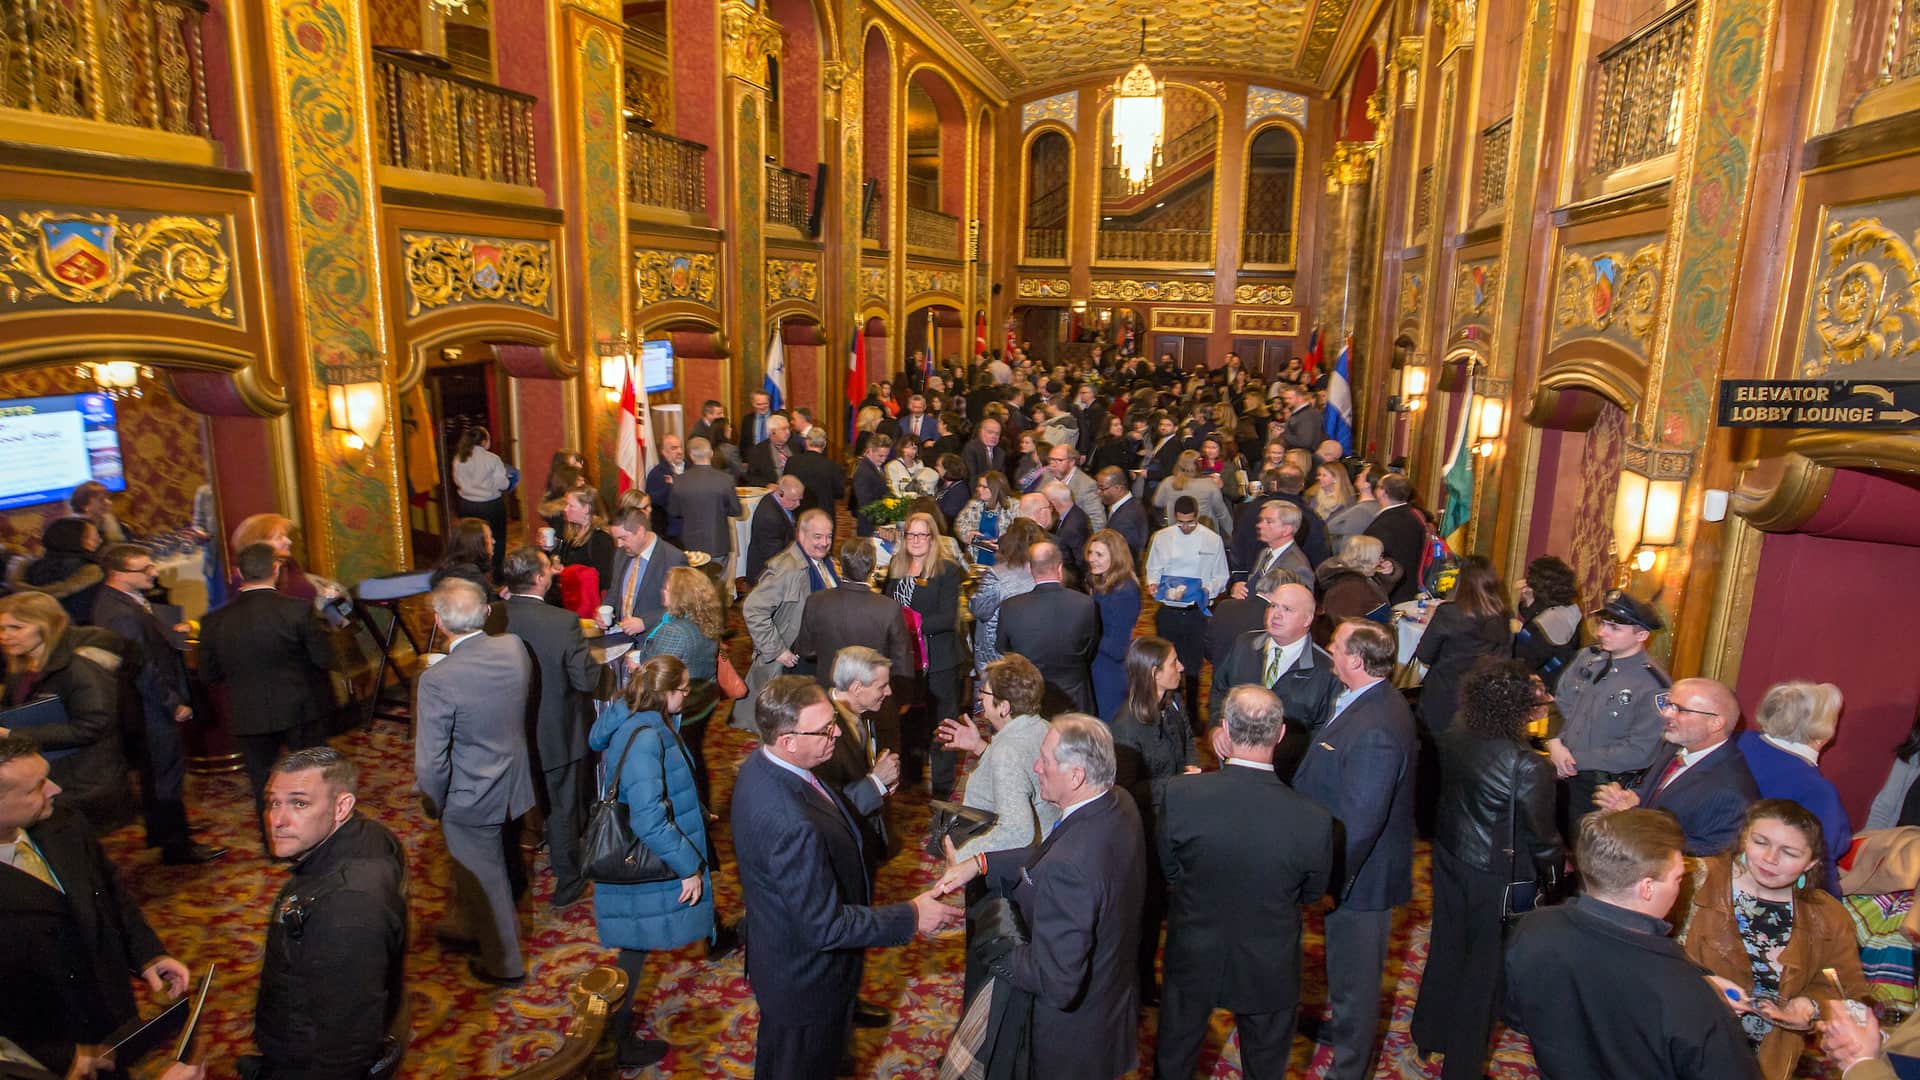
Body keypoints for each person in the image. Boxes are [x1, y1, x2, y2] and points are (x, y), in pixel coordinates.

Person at [732, 676, 957, 1079]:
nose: (836, 732)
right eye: (823, 730)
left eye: (832, 721)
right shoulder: (788, 822)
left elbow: (825, 813)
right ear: (787, 740)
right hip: (806, 982)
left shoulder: (764, 765)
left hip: (784, 959)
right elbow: (826, 926)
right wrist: (911, 916)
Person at [933, 714, 1147, 1079]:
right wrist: (981, 863)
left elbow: (1056, 982)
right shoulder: (1117, 802)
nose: (1036, 767)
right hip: (1110, 1006)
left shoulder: (1072, 867)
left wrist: (994, 933)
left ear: (1076, 776)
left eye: (1045, 760)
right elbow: (1052, 852)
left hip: (1068, 1041)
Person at [1505, 809, 1764, 1079]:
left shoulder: (1534, 929)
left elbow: (1519, 1017)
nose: (1680, 886)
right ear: (1647, 888)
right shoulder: (1687, 994)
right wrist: (1698, 990)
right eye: (1677, 878)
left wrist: (1700, 982)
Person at [1156, 686, 1334, 1080]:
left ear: (1225, 730)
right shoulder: (1314, 820)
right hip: (1268, 965)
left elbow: (1170, 870)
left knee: (1173, 1060)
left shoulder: (1181, 794)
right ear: (1281, 734)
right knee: (1265, 1067)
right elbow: (1312, 893)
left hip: (1192, 954)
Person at [0, 734, 195, 1079]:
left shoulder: (65, 823)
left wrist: (147, 955)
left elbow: (111, 895)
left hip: (112, 1017)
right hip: (49, 1048)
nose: (55, 789)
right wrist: (57, 1056)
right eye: (36, 787)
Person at [1408, 659, 1562, 1080]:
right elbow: (1543, 840)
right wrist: (1555, 884)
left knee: (1446, 947)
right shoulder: (1530, 766)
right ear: (1520, 709)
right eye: (1539, 699)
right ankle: (1461, 1068)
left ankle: (1428, 1032)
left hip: (1449, 855)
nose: (1546, 703)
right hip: (1499, 875)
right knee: (1485, 973)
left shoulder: (1460, 727)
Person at [1292, 619, 1417, 1080]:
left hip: (1360, 881)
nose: (1328, 648)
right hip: (1351, 871)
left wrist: (1330, 883)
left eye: (1336, 645)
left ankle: (1349, 1069)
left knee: (1356, 988)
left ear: (1357, 661)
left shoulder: (1377, 727)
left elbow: (1362, 823)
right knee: (1344, 979)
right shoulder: (1369, 701)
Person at [245, 747, 408, 1080]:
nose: (278, 820)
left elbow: (345, 1045)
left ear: (342, 806)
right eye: (274, 802)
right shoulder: (365, 835)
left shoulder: (347, 907)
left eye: (300, 803)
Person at [1674, 799, 1866, 1079]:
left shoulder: (1827, 914)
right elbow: (1646, 959)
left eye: (1789, 852)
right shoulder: (1691, 882)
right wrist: (1704, 985)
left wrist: (1811, 1006)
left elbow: (1848, 991)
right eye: (1760, 842)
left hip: (1767, 1064)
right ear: (1743, 838)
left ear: (1811, 862)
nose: (1770, 859)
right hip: (1686, 1051)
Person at [588, 655, 715, 1069]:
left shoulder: (633, 714)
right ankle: (616, 1040)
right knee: (634, 950)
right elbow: (647, 818)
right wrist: (688, 866)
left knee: (634, 948)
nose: (686, 696)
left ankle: (613, 1034)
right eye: (682, 690)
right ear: (664, 693)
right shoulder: (646, 736)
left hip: (641, 859)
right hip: (646, 864)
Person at [414, 578, 535, 986]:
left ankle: (505, 964)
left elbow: (430, 762)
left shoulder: (437, 680)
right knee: (504, 862)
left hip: (471, 795)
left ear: (439, 623)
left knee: (484, 877)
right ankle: (479, 928)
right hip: (515, 784)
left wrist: (434, 802)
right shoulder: (514, 647)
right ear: (485, 612)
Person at [198, 543, 337, 852]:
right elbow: (322, 659)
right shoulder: (297, 610)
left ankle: (276, 845)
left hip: (248, 712)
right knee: (311, 775)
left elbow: (208, 675)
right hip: (300, 708)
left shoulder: (213, 622)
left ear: (238, 574)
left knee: (264, 782)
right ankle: (320, 839)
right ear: (275, 570)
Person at [90, 545, 224, 865]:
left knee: (161, 774)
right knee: (166, 775)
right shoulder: (120, 613)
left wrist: (168, 632)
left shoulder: (122, 600)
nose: (153, 572)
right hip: (151, 708)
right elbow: (144, 667)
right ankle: (177, 846)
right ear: (119, 575)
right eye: (145, 569)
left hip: (149, 704)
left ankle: (169, 831)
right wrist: (173, 703)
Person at [499, 546, 598, 906]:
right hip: (556, 735)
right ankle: (568, 880)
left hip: (505, 735)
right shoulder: (562, 622)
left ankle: (513, 878)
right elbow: (586, 681)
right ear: (540, 579)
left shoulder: (492, 618)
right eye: (548, 570)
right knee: (562, 809)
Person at [0, 590, 128, 836]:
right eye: (2, 628)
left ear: (46, 627)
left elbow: (93, 726)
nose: (5, 636)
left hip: (80, 781)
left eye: (16, 628)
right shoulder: (23, 669)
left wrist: (13, 733)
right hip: (49, 775)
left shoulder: (80, 670)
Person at [1110, 635, 1194, 1004]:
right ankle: (1141, 987)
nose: (1181, 667)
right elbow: (1127, 789)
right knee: (1147, 912)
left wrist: (1191, 764)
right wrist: (1178, 785)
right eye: (1174, 662)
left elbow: (1189, 738)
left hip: (1176, 823)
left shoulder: (1173, 702)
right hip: (1145, 833)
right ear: (1153, 672)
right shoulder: (1126, 727)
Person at [1548, 588, 1671, 838]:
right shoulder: (1588, 658)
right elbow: (1558, 703)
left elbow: (1640, 751)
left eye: (1615, 628)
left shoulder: (1652, 684)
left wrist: (1574, 759)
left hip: (1599, 786)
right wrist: (1553, 742)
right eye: (1603, 623)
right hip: (1558, 771)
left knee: (1586, 858)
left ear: (1642, 635)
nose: (1602, 632)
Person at [1594, 675, 1761, 856]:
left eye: (1680, 710)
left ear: (1715, 723)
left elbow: (1711, 856)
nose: (1665, 714)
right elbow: (1657, 794)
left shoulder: (1731, 792)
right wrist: (1633, 797)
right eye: (1668, 705)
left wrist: (1634, 819)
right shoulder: (1675, 746)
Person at [936, 655, 1059, 865]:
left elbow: (1018, 832)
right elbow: (1023, 769)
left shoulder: (1008, 752)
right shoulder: (1043, 727)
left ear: (1004, 707)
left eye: (984, 692)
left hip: (1006, 865)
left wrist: (964, 855)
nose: (979, 698)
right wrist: (979, 747)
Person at [1207, 581, 1337, 777]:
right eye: (1273, 605)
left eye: (1287, 609)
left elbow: (1325, 731)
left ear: (1307, 619)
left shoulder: (1326, 669)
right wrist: (1217, 728)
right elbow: (1219, 690)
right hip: (1234, 766)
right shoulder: (1244, 645)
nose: (1275, 614)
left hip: (1286, 776)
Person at [792, 541, 912, 751]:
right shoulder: (888, 607)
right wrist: (902, 698)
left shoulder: (816, 601)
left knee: (829, 754)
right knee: (881, 756)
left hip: (830, 695)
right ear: (873, 567)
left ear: (840, 566)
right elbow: (902, 660)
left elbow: (806, 650)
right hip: (876, 700)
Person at [1737, 681, 1851, 891]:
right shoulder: (1815, 789)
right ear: (1824, 732)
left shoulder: (1737, 742)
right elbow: (1822, 863)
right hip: (1768, 890)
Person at [884, 512, 965, 797]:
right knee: (908, 720)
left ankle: (942, 788)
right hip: (904, 661)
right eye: (911, 535)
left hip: (940, 660)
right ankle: (910, 777)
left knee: (943, 726)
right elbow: (886, 607)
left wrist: (907, 627)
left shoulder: (947, 570)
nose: (916, 541)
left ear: (932, 539)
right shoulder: (896, 566)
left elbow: (946, 618)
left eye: (922, 535)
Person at [740, 509, 838, 730]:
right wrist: (777, 650)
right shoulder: (787, 568)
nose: (825, 543)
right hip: (794, 663)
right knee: (789, 726)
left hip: (816, 656)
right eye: (818, 536)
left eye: (829, 536)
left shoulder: (822, 562)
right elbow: (753, 609)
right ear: (800, 535)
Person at [821, 646, 903, 887]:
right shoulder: (823, 733)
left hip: (867, 835)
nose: (888, 692)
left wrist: (883, 780)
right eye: (881, 686)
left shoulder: (863, 710)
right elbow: (829, 807)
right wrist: (876, 783)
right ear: (857, 688)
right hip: (843, 849)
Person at [1144, 496, 1230, 720]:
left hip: (1196, 613)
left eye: (1190, 522)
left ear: (1197, 517)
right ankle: (1169, 709)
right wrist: (1153, 584)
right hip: (1168, 611)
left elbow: (1221, 575)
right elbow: (1152, 569)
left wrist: (1205, 590)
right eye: (1181, 522)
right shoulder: (1162, 538)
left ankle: (1192, 712)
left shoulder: (1212, 540)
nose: (1185, 527)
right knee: (1165, 664)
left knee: (1192, 666)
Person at [995, 540, 1099, 716]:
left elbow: (1003, 649)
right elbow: (1090, 648)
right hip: (1075, 695)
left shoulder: (1010, 607)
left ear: (1029, 569)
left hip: (1030, 697)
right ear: (1059, 568)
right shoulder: (1085, 604)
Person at [1412, 553, 1513, 734]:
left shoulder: (1448, 614)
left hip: (1443, 703)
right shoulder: (1504, 616)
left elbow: (1424, 654)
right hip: (1483, 704)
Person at [968, 517, 1044, 672]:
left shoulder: (997, 574)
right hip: (1032, 651)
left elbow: (980, 610)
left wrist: (972, 595)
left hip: (998, 655)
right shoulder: (1042, 572)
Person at [1085, 530, 1141, 721]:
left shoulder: (1124, 591)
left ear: (1116, 557)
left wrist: (1085, 637)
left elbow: (1117, 647)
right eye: (1091, 553)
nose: (1092, 559)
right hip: (1098, 664)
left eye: (1099, 554)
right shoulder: (1103, 582)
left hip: (1109, 671)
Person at [607, 502, 688, 634]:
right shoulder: (622, 553)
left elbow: (682, 607)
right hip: (621, 635)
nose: (618, 544)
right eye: (616, 539)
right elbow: (615, 590)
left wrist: (645, 622)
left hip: (653, 638)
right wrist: (606, 608)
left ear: (640, 531)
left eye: (622, 538)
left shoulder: (673, 559)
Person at [1511, 554, 1583, 690]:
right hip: (1556, 675)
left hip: (1544, 685)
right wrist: (1529, 599)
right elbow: (1539, 614)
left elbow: (1523, 657)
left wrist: (1511, 635)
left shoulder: (1552, 621)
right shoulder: (1567, 606)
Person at [15, 517, 104, 624]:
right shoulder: (88, 570)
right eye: (93, 538)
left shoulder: (31, 566)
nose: (100, 541)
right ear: (76, 540)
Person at [1311, 533, 1396, 645]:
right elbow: (1347, 628)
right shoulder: (1350, 588)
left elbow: (1377, 593)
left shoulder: (1356, 575)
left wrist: (1387, 574)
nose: (1381, 560)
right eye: (1379, 556)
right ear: (1367, 560)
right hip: (1357, 645)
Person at [452, 426, 512, 578]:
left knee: (470, 540)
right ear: (484, 441)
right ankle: (497, 575)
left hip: (466, 504)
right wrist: (508, 478)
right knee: (497, 539)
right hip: (490, 505)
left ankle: (471, 572)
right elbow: (502, 484)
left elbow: (457, 480)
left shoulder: (459, 458)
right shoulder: (492, 459)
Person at [669, 437, 741, 563]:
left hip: (690, 545)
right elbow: (736, 511)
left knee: (693, 582)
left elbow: (674, 512)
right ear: (711, 453)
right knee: (718, 581)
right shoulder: (726, 479)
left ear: (691, 455)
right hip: (717, 543)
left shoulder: (679, 481)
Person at [1363, 474, 1427, 604]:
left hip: (1389, 595)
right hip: (1412, 591)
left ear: (1383, 492)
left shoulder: (1382, 526)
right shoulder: (1415, 517)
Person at [227, 512, 320, 601]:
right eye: (279, 537)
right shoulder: (243, 578)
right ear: (258, 544)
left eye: (285, 536)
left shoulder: (289, 564)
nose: (288, 541)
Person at [1233, 500, 1313, 596]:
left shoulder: (1298, 566)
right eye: (1261, 520)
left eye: (1269, 521)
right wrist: (1241, 589)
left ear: (1287, 530)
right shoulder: (1265, 553)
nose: (1259, 525)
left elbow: (1301, 605)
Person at [551, 486, 616, 605]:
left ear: (586, 508)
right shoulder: (572, 531)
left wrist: (567, 573)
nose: (565, 509)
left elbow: (604, 581)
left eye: (571, 505)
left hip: (584, 604)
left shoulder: (601, 539)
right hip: (569, 597)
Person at [1153, 450, 1234, 536]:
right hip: (1205, 533)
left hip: (1176, 533)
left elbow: (1157, 503)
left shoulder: (1168, 482)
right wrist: (1232, 534)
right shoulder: (1210, 485)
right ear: (1198, 465)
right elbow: (1221, 513)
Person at [745, 476, 803, 583]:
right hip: (766, 575)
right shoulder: (770, 518)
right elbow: (774, 556)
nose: (798, 504)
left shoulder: (777, 500)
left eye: (799, 499)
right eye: (794, 500)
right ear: (781, 494)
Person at [955, 470, 1017, 565]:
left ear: (996, 488)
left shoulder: (1013, 506)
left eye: (984, 487)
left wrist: (1002, 543)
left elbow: (1019, 532)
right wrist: (967, 534)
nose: (979, 489)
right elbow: (960, 524)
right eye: (979, 486)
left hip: (1005, 559)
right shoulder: (973, 505)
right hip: (977, 558)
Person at [429, 516, 496, 598]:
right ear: (477, 544)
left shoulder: (448, 568)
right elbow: (487, 607)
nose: (493, 541)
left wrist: (499, 595)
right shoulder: (471, 576)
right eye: (489, 538)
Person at [785, 426, 845, 517]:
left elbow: (786, 486)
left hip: (798, 514)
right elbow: (839, 494)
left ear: (806, 442)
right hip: (824, 515)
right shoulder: (833, 467)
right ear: (824, 444)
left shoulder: (792, 462)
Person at [1097, 465, 1150, 561]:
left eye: (1102, 488)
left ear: (1118, 488)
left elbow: (1122, 556)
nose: (1098, 492)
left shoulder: (1125, 519)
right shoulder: (1132, 505)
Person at [1327, 462, 1383, 546]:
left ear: (1368, 484)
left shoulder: (1363, 511)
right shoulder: (1359, 503)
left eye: (1362, 474)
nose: (1358, 475)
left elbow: (1348, 543)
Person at [850, 434, 892, 539]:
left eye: (886, 456)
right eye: (880, 456)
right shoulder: (863, 472)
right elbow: (865, 504)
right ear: (870, 451)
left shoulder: (875, 467)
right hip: (870, 527)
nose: (883, 460)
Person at [644, 433, 685, 539]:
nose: (680, 451)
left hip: (693, 528)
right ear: (664, 452)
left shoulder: (692, 469)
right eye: (674, 448)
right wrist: (670, 487)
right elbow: (653, 500)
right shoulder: (656, 473)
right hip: (670, 532)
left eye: (680, 447)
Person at [67, 481, 131, 546]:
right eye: (101, 499)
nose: (108, 502)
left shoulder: (117, 526)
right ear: (84, 505)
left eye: (108, 498)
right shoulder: (72, 531)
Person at [745, 414, 795, 486]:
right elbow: (752, 477)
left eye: (788, 428)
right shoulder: (758, 451)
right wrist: (767, 485)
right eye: (784, 429)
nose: (788, 432)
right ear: (772, 432)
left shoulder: (795, 446)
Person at [962, 416, 1008, 482]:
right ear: (981, 432)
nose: (994, 436)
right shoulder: (971, 448)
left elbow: (1002, 478)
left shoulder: (1001, 453)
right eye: (990, 432)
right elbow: (971, 478)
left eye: (997, 434)